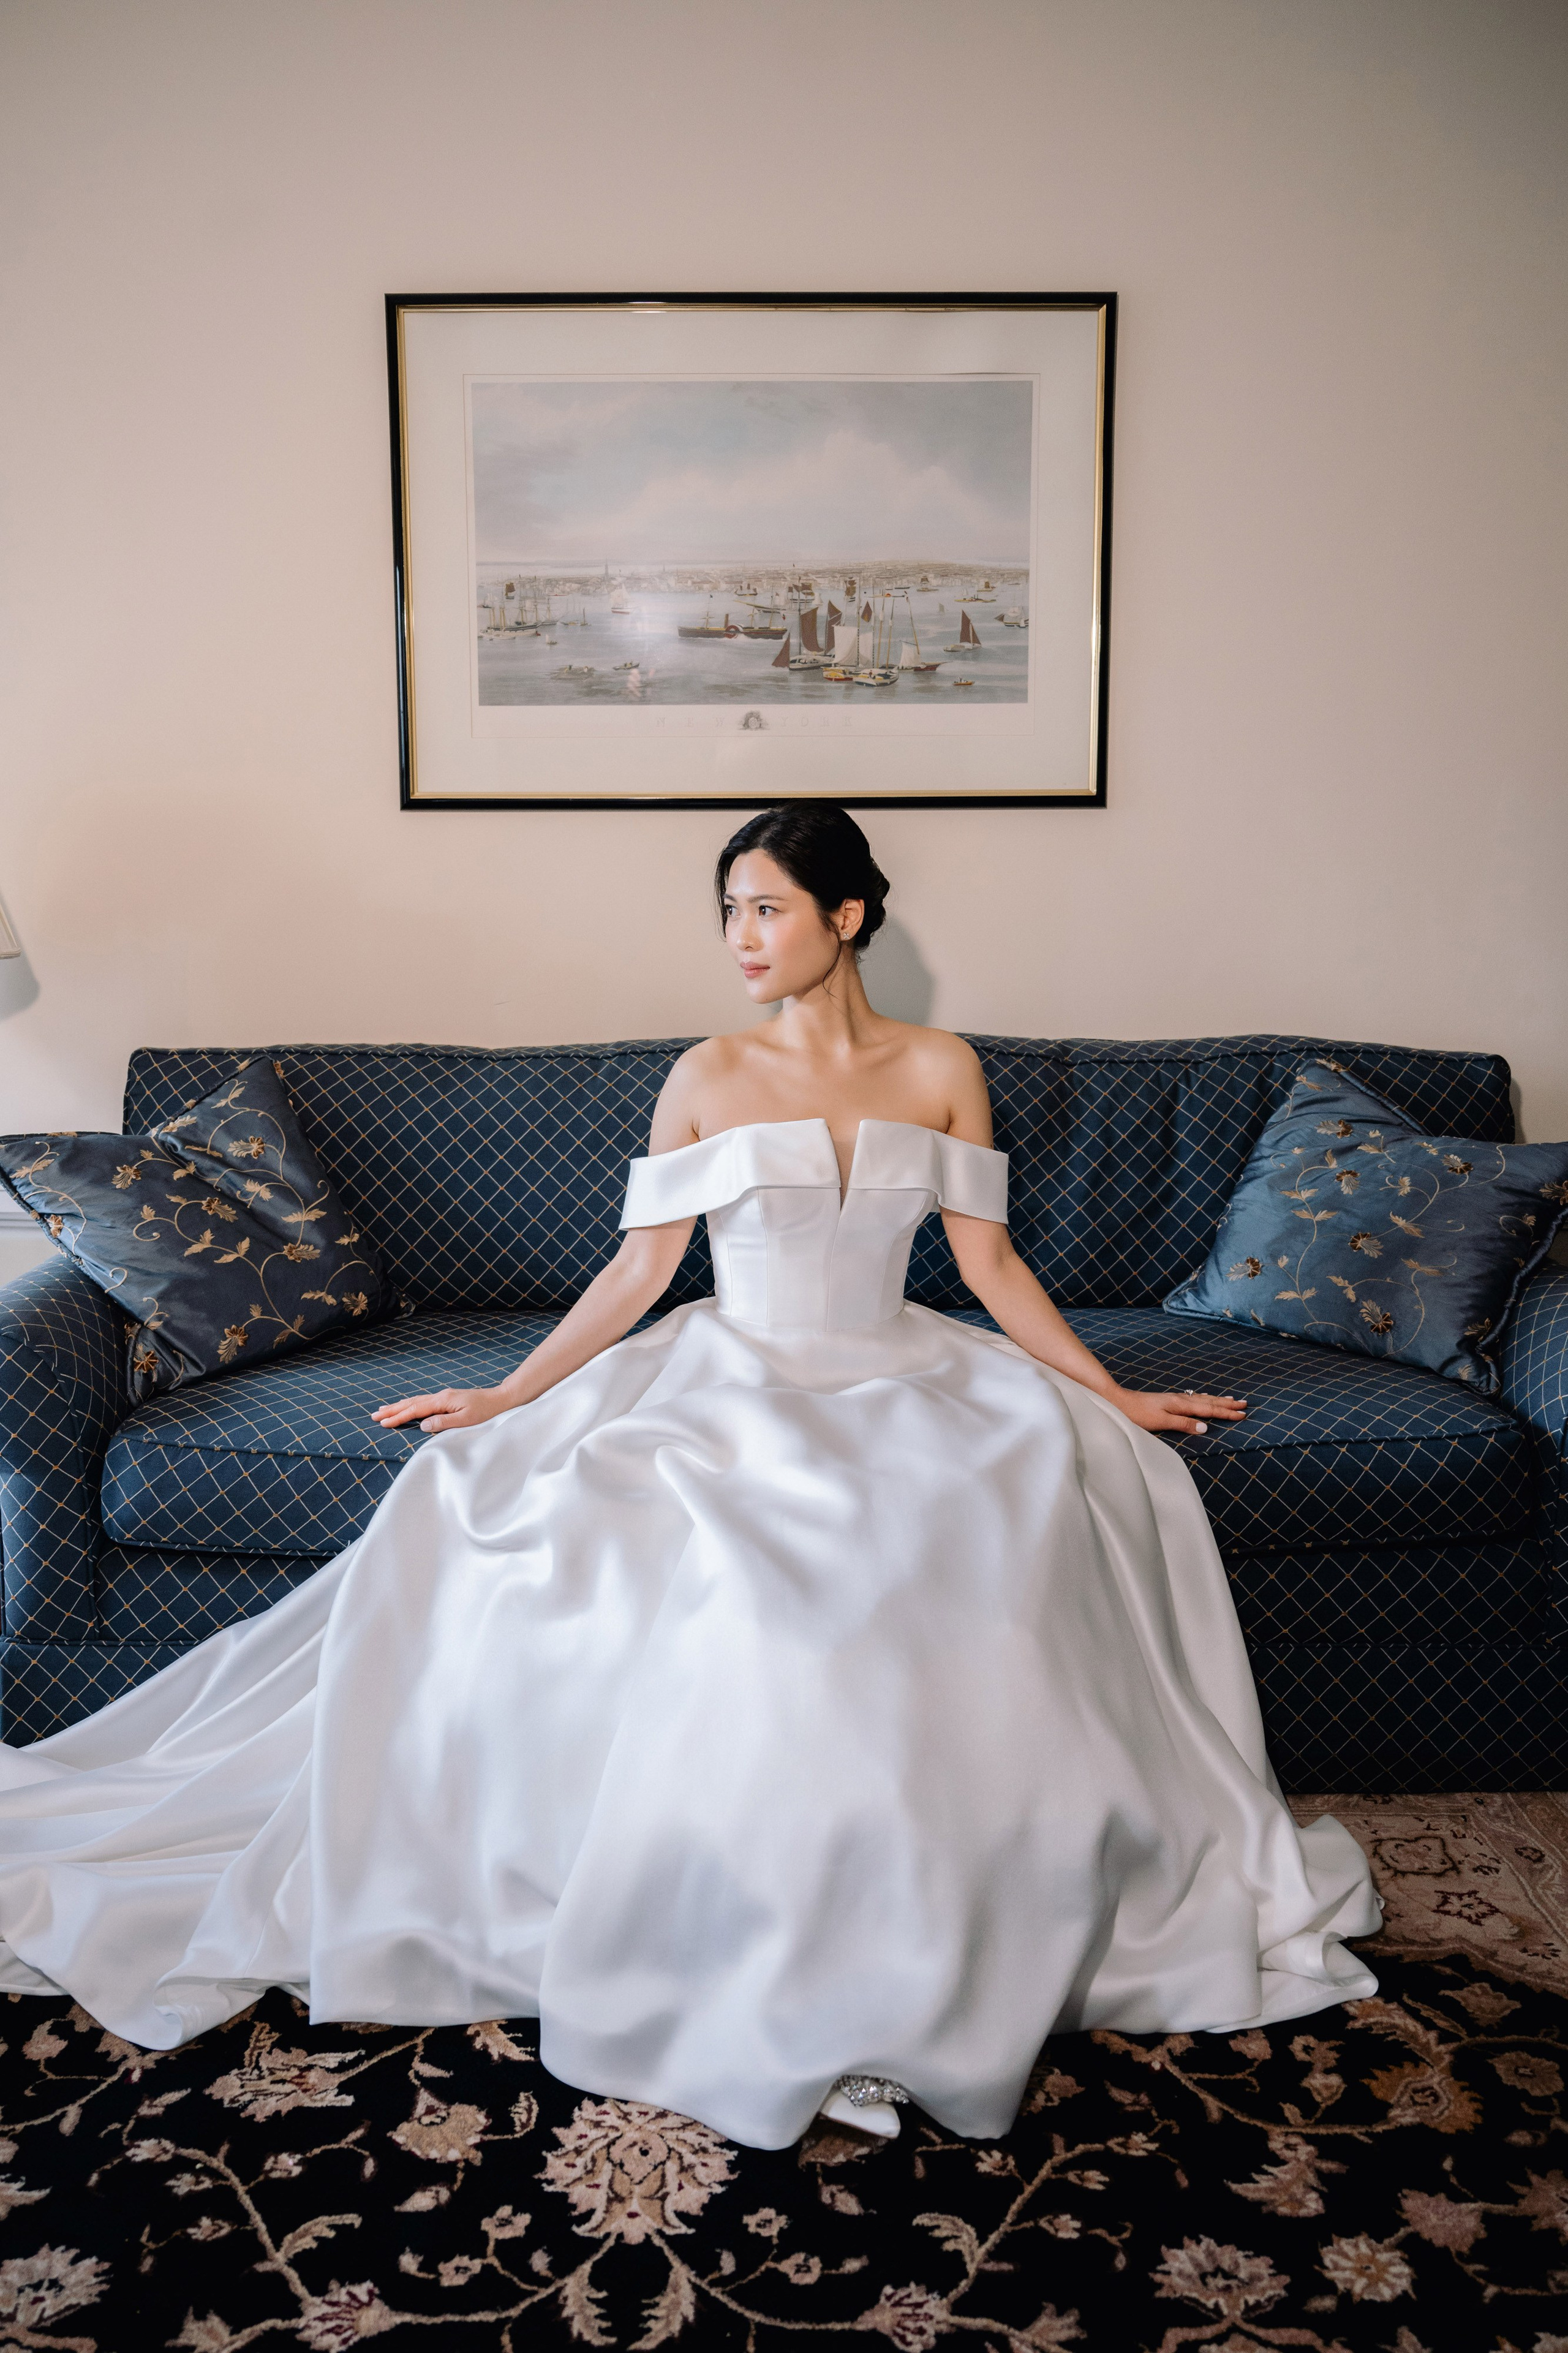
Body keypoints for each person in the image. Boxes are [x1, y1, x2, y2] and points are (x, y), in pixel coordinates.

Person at [0, 805, 1379, 2151]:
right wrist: (509, 1395)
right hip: (732, 1371)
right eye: (728, 910)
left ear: (847, 915)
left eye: (767, 907)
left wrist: (1111, 1393)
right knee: (621, 1536)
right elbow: (639, 1271)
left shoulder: (942, 1065)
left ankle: (934, 1907)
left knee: (998, 1515)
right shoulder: (707, 1074)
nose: (741, 936)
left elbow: (989, 1265)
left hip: (904, 1366)